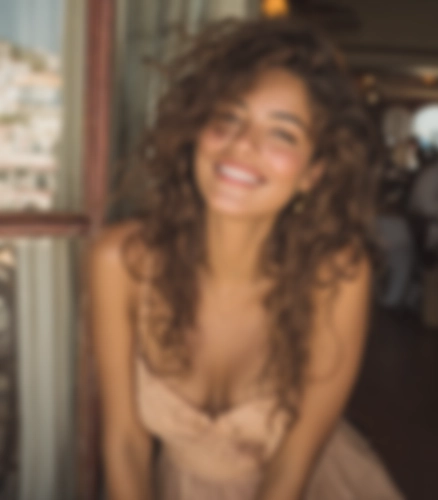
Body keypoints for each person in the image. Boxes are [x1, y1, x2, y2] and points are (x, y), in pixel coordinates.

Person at [87, 18, 404, 500]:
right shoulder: (122, 262)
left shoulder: (335, 275)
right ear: (196, 131)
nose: (241, 144)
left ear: (313, 174)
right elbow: (125, 444)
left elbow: (295, 460)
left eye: (283, 134)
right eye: (229, 118)